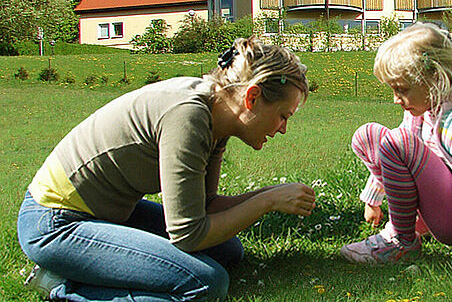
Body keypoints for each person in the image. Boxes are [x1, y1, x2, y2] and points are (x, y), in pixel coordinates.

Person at [16, 38, 314, 301]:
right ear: (252, 97)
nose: (283, 129)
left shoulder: (218, 115)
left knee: (227, 251)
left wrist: (271, 193)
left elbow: (206, 207)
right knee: (205, 283)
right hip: (56, 223)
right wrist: (266, 202)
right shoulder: (188, 116)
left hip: (109, 213)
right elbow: (188, 235)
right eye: (282, 116)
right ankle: (61, 286)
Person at [339, 23, 452, 264]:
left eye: (401, 89)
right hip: (433, 205)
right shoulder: (425, 104)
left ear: (434, 77)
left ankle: (401, 241)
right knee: (367, 136)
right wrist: (373, 197)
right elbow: (399, 147)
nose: (395, 99)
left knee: (396, 142)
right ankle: (406, 231)